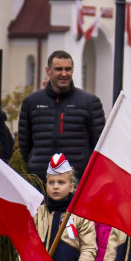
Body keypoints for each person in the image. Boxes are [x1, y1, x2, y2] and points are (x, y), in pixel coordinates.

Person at [18, 50, 105, 179]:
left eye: (68, 69)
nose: (64, 74)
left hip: (77, 179)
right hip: (41, 178)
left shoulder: (90, 102)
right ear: (48, 71)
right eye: (59, 69)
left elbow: (99, 143)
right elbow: (25, 143)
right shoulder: (31, 102)